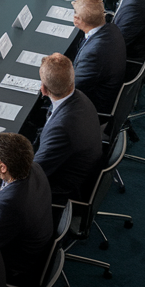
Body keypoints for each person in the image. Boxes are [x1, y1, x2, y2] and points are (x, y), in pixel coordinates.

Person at [0, 132, 53, 287]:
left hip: (14, 268)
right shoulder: (34, 168)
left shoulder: (8, 205)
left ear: (3, 167)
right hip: (33, 243)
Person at [31, 53, 101, 204]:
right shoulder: (79, 96)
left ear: (43, 89)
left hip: (61, 190)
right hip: (77, 168)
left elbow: (33, 173)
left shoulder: (62, 129)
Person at [68, 0, 128, 115]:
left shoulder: (94, 54)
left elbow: (70, 88)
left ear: (77, 19)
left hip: (92, 109)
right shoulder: (112, 29)